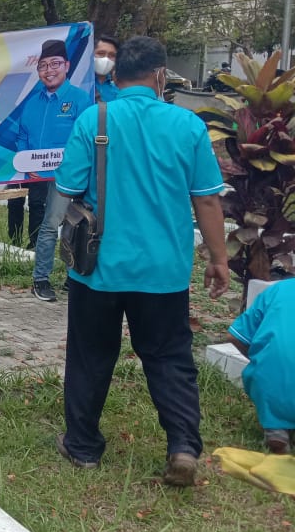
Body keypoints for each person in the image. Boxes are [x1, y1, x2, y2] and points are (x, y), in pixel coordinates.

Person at [53, 35, 230, 487]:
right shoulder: (188, 126)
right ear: (159, 76)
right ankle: (183, 447)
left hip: (98, 269)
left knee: (91, 355)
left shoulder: (95, 119)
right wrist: (218, 260)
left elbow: (69, 187)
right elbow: (208, 202)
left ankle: (84, 447)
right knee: (170, 356)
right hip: (164, 271)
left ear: (116, 72)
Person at [0, 39, 93, 301]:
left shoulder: (80, 100)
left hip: (72, 178)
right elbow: (22, 136)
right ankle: (41, 279)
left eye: (55, 64)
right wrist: (30, 164)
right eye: (43, 66)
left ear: (67, 66)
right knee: (49, 225)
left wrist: (73, 170)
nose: (49, 70)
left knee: (76, 226)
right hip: (40, 176)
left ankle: (74, 277)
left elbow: (85, 138)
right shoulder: (31, 102)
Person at [28, 35, 120, 297]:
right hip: (68, 169)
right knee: (53, 222)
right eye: (100, 53)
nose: (105, 60)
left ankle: (79, 272)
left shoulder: (115, 92)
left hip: (102, 169)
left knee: (90, 223)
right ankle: (41, 279)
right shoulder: (79, 91)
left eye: (111, 55)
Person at [227, 279, 295, 455]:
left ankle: (276, 430)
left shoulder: (278, 290)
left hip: (270, 384)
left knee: (270, 375)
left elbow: (235, 337)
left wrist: (261, 359)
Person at [92, 35, 120, 103]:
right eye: (101, 53)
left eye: (112, 55)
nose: (106, 59)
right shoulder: (79, 83)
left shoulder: (119, 89)